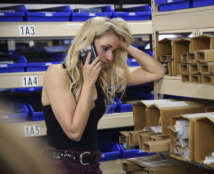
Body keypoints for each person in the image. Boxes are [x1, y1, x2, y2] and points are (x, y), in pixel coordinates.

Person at [41, 16, 166, 174]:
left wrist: (124, 45)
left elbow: (157, 71)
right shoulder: (57, 74)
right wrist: (88, 83)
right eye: (105, 48)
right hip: (60, 167)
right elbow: (74, 132)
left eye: (113, 50)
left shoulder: (103, 76)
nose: (110, 57)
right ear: (87, 45)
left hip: (91, 165)